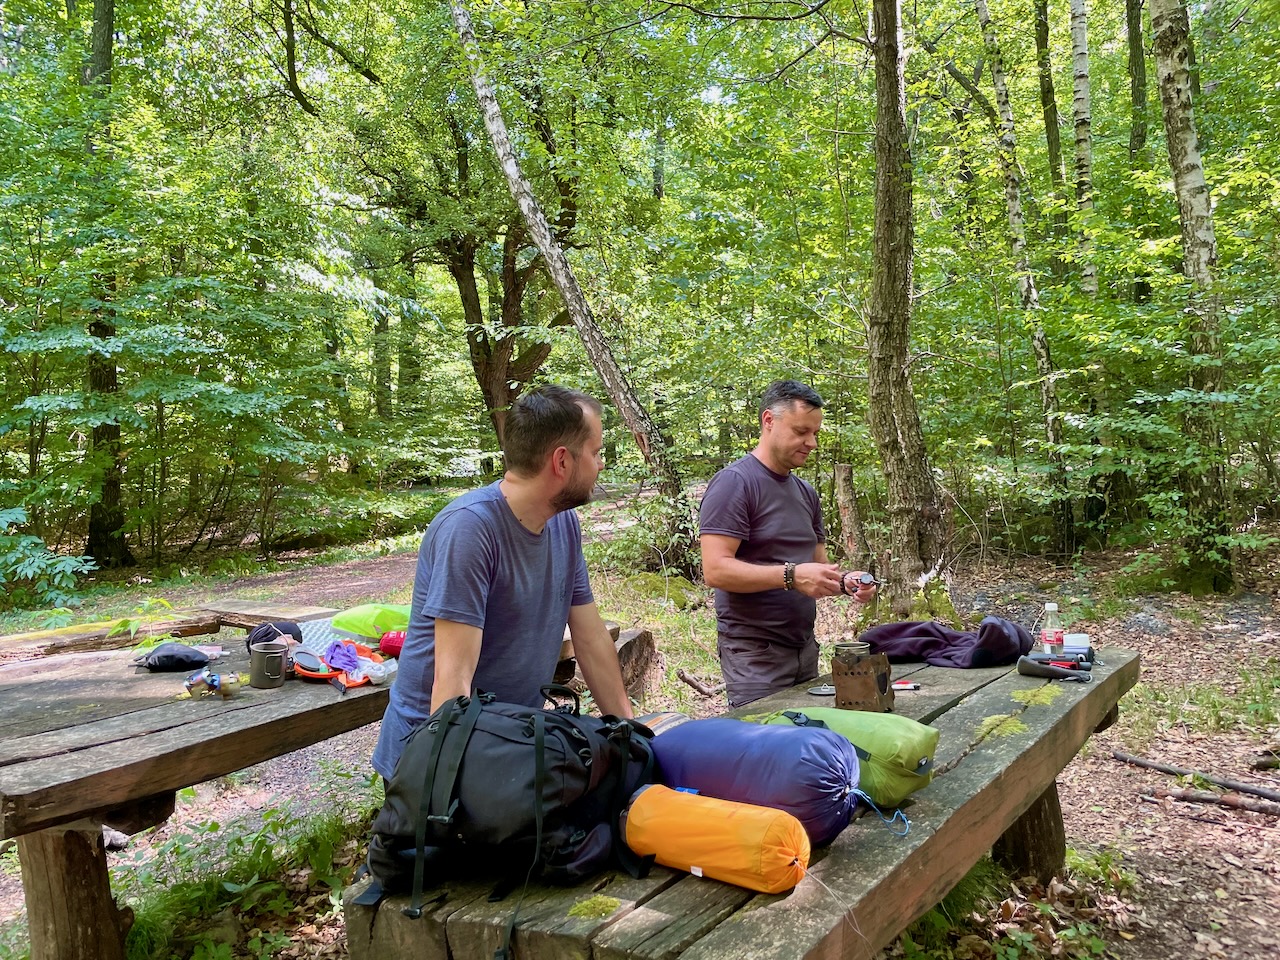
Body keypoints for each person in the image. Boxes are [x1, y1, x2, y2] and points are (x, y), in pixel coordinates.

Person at [372, 385, 634, 781]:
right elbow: (452, 681)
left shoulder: (563, 523)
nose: (600, 465)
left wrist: (629, 733)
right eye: (596, 453)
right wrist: (441, 796)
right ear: (562, 461)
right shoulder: (470, 530)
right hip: (437, 758)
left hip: (509, 743)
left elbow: (592, 638)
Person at [699, 379, 877, 707]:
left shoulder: (806, 493)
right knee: (765, 750)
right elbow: (715, 570)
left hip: (805, 650)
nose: (811, 443)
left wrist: (847, 583)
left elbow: (819, 569)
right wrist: (791, 576)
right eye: (800, 431)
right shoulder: (735, 484)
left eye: (815, 433)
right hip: (755, 656)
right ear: (769, 421)